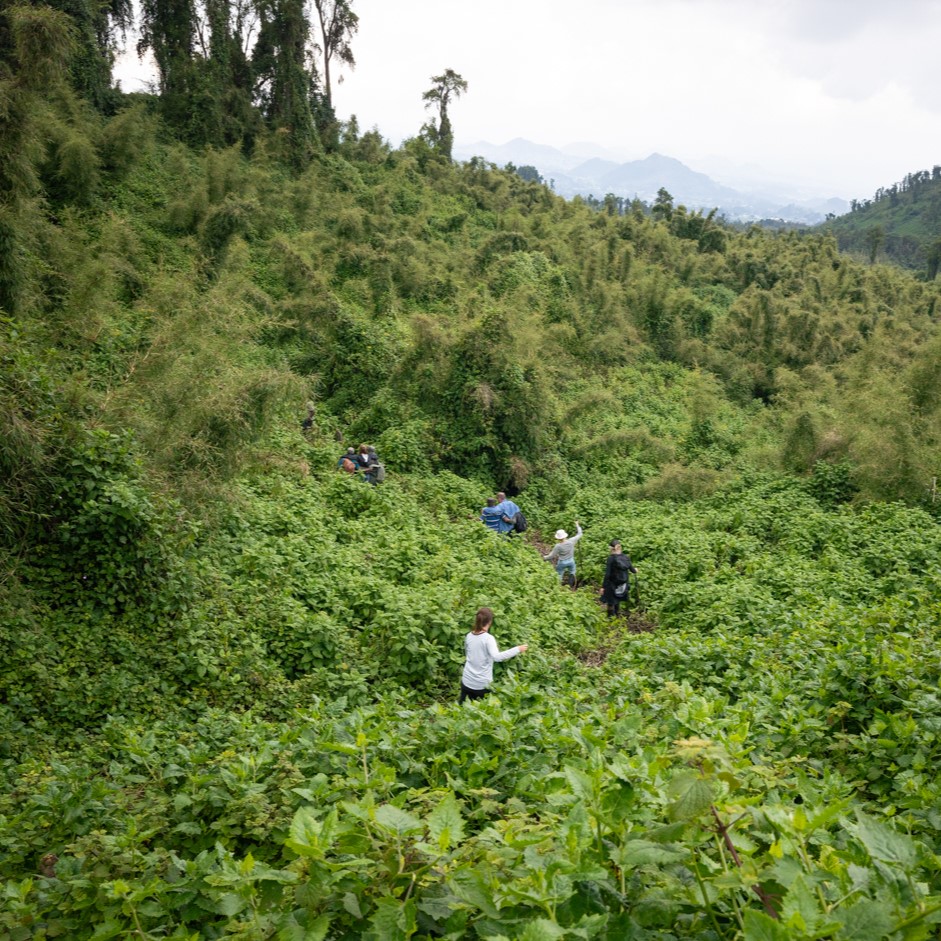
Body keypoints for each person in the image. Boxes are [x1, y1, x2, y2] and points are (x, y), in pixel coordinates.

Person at [460, 607, 528, 703]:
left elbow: (468, 655)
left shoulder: (469, 636)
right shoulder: (488, 639)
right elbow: (497, 657)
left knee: (462, 710)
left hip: (466, 682)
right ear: (490, 622)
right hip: (482, 685)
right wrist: (518, 649)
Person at [601, 538, 637, 617]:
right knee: (618, 599)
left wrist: (603, 587)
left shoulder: (611, 559)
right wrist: (636, 570)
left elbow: (607, 574)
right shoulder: (626, 557)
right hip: (623, 584)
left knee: (611, 601)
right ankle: (617, 615)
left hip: (612, 584)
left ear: (611, 548)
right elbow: (632, 570)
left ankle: (610, 618)